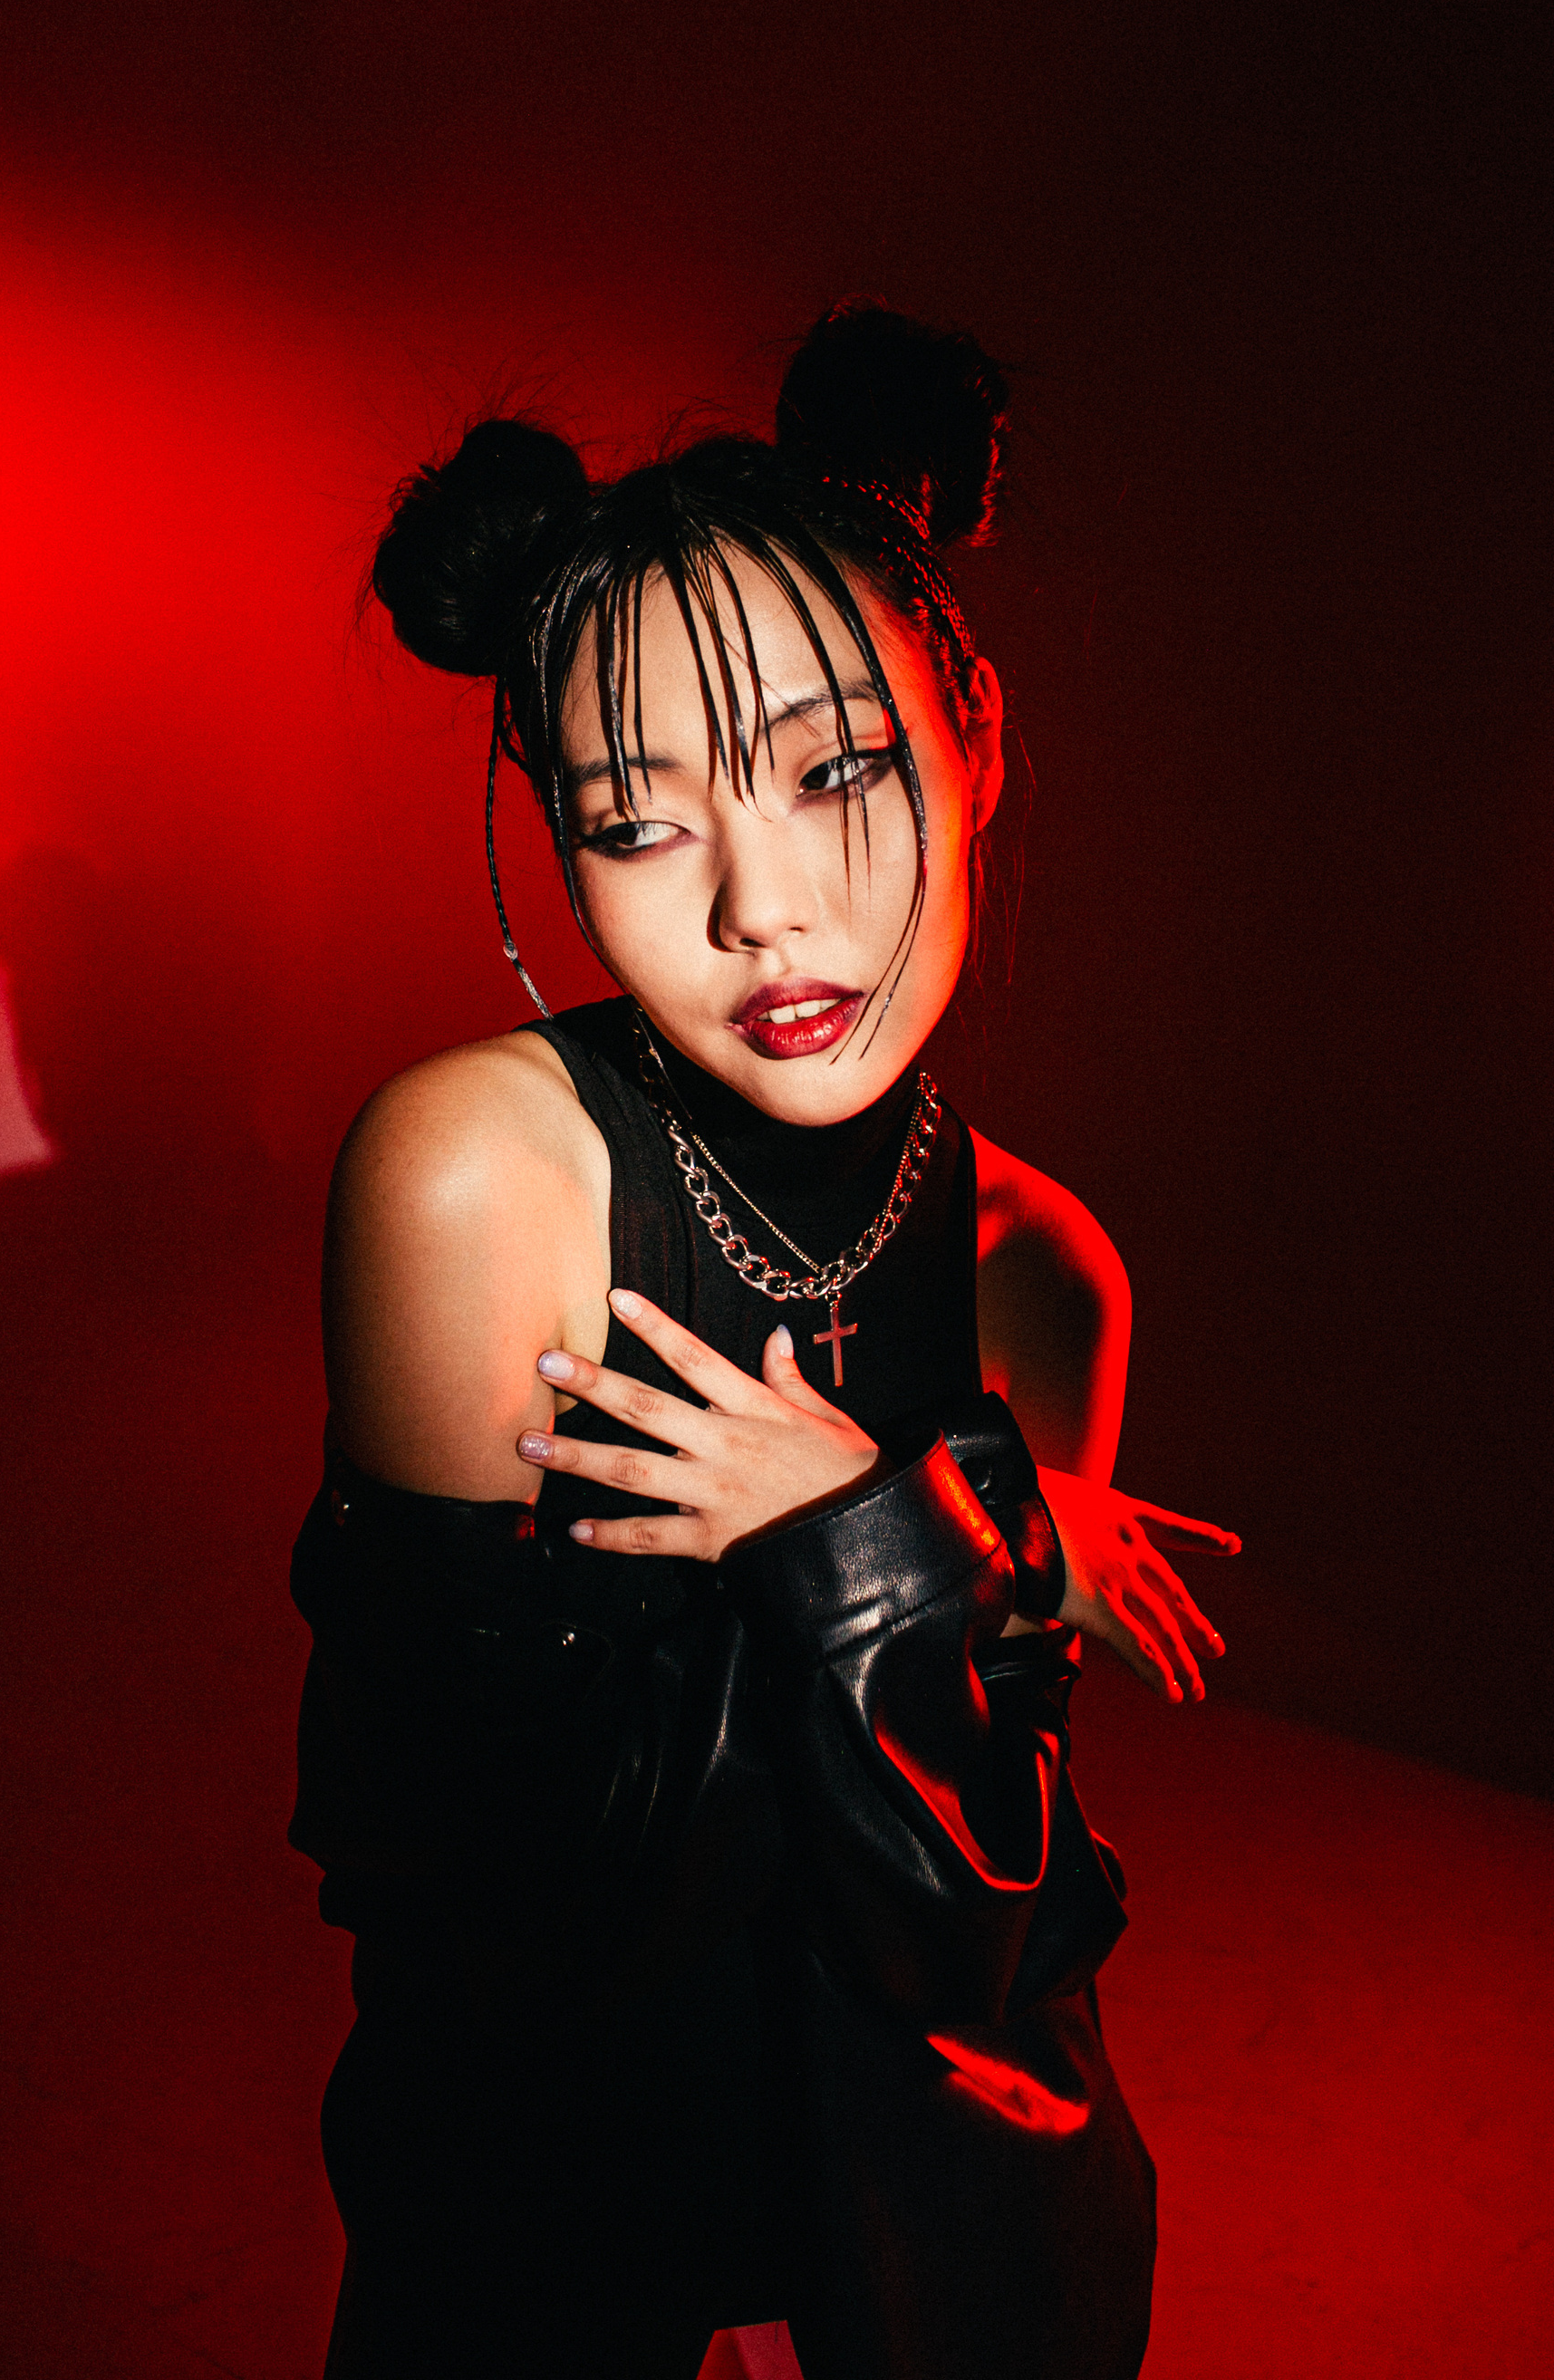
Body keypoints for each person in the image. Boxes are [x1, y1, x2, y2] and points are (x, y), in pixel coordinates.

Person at [289, 304, 1240, 2380]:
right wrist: (931, 1537)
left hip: (901, 2133)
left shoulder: (1039, 1268)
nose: (759, 913)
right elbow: (483, 1886)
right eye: (638, 822)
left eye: (837, 772)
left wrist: (860, 1534)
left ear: (978, 749)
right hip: (556, 2154)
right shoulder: (472, 1175)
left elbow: (972, 1890)